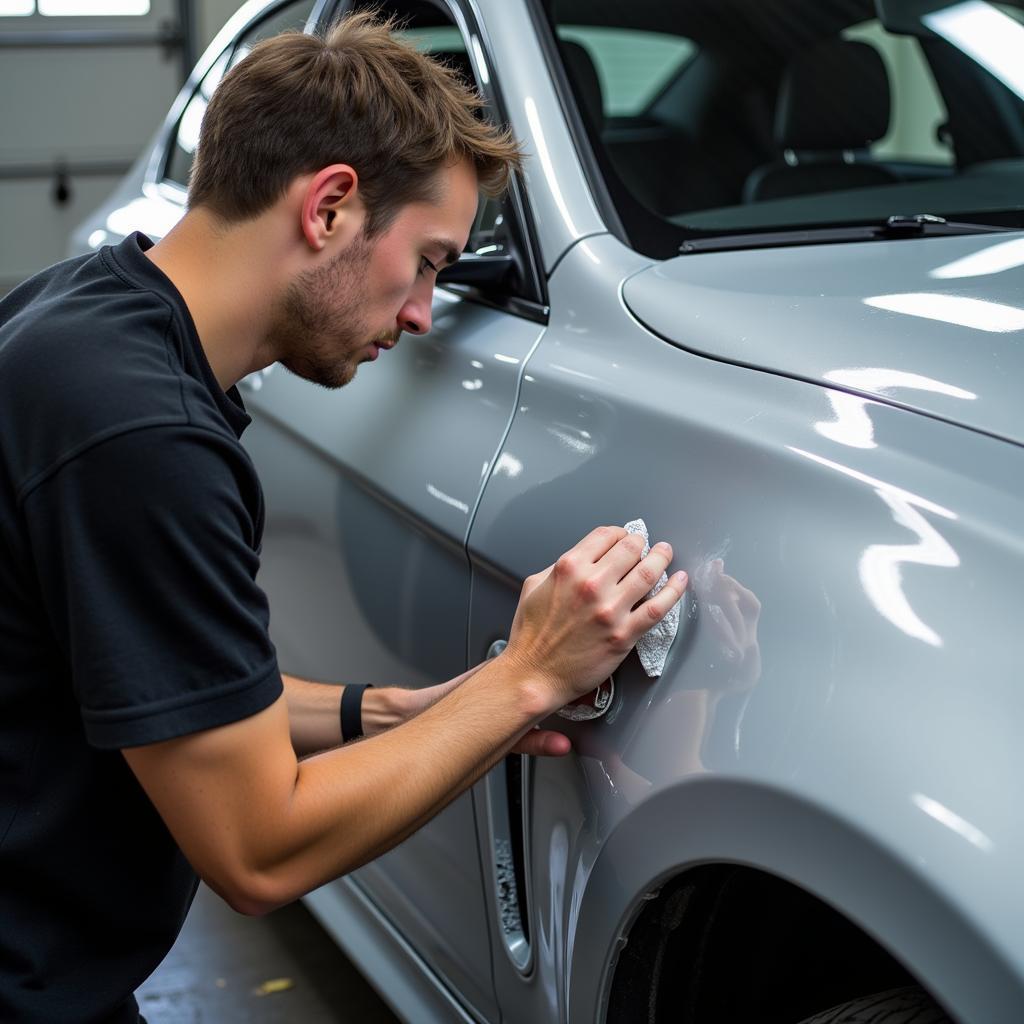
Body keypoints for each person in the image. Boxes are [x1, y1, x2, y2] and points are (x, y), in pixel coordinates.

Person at [0, 12, 687, 1023]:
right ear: (328, 207)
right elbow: (258, 848)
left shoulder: (89, 320)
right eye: (428, 263)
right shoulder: (140, 435)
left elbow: (170, 695)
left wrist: (402, 713)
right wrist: (523, 676)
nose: (421, 315)